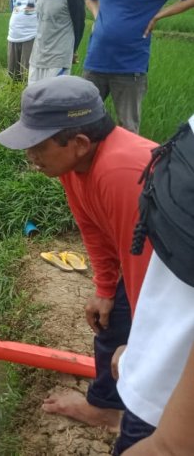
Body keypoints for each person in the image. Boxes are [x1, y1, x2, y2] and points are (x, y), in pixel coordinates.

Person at [0, 76, 155, 429]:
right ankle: (105, 407)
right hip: (148, 264)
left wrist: (145, 343)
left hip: (175, 272)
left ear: (80, 142)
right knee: (110, 322)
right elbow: (94, 231)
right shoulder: (73, 166)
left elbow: (151, 270)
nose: (29, 155)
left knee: (154, 369)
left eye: (37, 145)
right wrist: (104, 288)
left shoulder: (120, 172)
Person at [111, 116, 194, 454]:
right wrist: (143, 345)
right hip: (153, 379)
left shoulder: (117, 175)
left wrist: (168, 444)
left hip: (167, 409)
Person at [83, 0, 194, 134]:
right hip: (95, 61)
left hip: (129, 66)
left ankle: (126, 167)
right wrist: (98, 16)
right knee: (83, 120)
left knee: (127, 127)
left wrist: (159, 16)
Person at [27, 0, 85, 84]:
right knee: (33, 96)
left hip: (58, 59)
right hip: (37, 56)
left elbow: (79, 27)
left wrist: (72, 51)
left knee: (53, 99)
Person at [7, 0, 40, 81]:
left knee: (28, 74)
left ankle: (27, 99)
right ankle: (13, 99)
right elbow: (14, 10)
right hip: (13, 35)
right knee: (12, 73)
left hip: (31, 37)